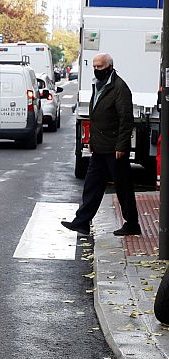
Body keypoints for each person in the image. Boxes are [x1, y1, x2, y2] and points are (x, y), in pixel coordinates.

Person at [61, 53, 141, 237]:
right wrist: (92, 142)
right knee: (92, 185)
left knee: (123, 187)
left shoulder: (119, 88)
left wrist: (121, 146)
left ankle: (132, 224)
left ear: (110, 67)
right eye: (95, 67)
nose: (96, 70)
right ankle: (82, 222)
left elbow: (126, 120)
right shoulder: (98, 85)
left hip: (114, 148)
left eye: (100, 67)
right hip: (100, 147)